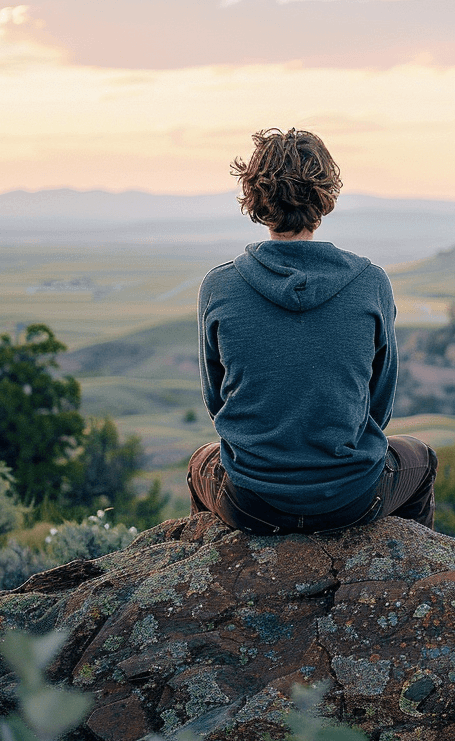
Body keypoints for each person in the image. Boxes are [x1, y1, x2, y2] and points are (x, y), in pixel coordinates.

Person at [187, 128, 437, 534]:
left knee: (202, 459)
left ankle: (208, 562)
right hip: (351, 499)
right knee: (421, 459)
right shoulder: (371, 282)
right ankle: (410, 571)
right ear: (325, 197)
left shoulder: (219, 285)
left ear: (254, 198)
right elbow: (380, 405)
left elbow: (218, 401)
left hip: (251, 503)